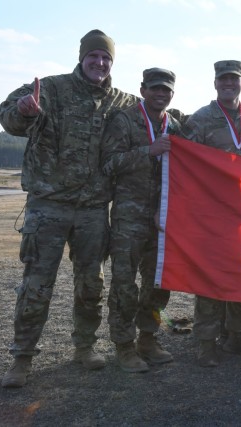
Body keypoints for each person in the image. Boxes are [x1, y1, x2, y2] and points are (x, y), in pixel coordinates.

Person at [0, 29, 139, 388]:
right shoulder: (52, 88)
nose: (100, 63)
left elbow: (157, 121)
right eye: (94, 56)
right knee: (36, 285)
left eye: (106, 57)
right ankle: (22, 358)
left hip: (93, 209)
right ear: (82, 57)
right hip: (49, 206)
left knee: (91, 284)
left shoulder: (122, 102)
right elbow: (8, 116)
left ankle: (85, 347)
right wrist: (24, 111)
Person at [180, 60, 241, 367]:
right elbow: (184, 162)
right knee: (210, 275)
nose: (229, 83)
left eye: (234, 79)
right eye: (223, 79)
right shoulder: (201, 120)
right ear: (215, 84)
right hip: (211, 212)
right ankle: (206, 340)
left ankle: (237, 334)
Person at [100, 68, 181, 372]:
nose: (161, 94)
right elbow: (107, 164)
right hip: (128, 218)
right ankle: (123, 346)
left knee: (158, 282)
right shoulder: (124, 120)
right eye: (155, 89)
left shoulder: (175, 124)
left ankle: (148, 338)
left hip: (162, 218)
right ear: (143, 89)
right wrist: (148, 151)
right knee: (124, 284)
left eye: (166, 90)